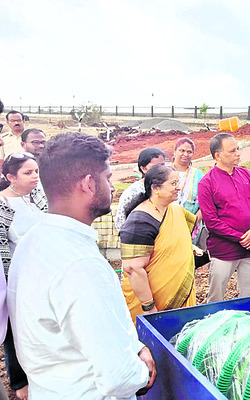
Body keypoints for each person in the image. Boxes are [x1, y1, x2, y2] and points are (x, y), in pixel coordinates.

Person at [7, 132, 156, 399]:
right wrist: (143, 372)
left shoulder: (32, 240)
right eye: (107, 178)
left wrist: (134, 346)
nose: (111, 187)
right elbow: (119, 377)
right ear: (88, 184)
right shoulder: (80, 264)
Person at [119, 165, 198, 323]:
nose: (178, 187)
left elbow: (179, 238)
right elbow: (133, 269)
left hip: (181, 295)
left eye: (178, 182)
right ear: (155, 188)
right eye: (173, 183)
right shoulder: (139, 221)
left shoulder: (175, 210)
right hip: (151, 306)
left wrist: (191, 249)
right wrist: (149, 307)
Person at [0, 153, 47, 400]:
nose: (35, 177)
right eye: (28, 173)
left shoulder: (38, 197)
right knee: (14, 331)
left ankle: (42, 372)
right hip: (15, 281)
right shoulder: (2, 205)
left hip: (44, 275)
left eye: (36, 171)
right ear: (10, 178)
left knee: (40, 325)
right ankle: (20, 382)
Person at [198, 133, 250, 303]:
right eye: (232, 151)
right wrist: (244, 238)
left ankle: (247, 325)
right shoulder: (207, 183)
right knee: (216, 296)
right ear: (217, 155)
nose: (238, 153)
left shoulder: (247, 175)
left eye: (237, 149)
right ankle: (213, 326)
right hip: (223, 250)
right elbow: (211, 222)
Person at [114, 147, 166, 231]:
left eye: (163, 165)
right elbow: (121, 222)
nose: (161, 170)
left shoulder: (169, 188)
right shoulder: (133, 192)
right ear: (143, 169)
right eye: (155, 167)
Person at [172, 137, 205, 243]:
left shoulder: (198, 175)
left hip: (190, 226)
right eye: (181, 150)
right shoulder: (164, 172)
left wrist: (193, 221)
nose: (185, 154)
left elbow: (206, 203)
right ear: (175, 152)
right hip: (166, 224)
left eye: (189, 152)